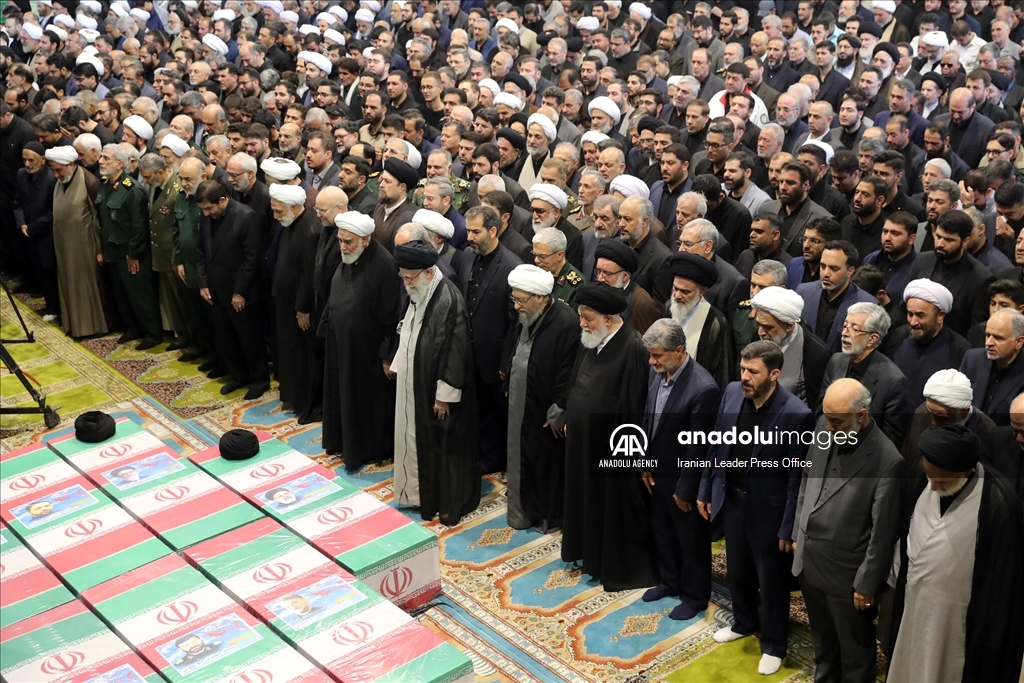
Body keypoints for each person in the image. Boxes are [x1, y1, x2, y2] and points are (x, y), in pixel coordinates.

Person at [698, 340, 814, 677]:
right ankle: (744, 622)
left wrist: (788, 526)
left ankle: (775, 644)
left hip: (770, 511)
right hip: (732, 500)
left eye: (753, 371)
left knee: (772, 579)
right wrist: (707, 488)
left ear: (774, 374)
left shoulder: (796, 415)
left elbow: (796, 477)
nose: (745, 376)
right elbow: (717, 444)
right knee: (738, 569)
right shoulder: (733, 392)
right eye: (743, 369)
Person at [887, 425, 1024, 683]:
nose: (935, 486)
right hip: (915, 606)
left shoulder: (998, 503)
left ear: (968, 471)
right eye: (932, 477)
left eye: (944, 481)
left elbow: (1003, 591)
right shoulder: (920, 476)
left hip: (959, 622)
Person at [793, 379, 905, 683]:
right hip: (810, 561)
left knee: (855, 653)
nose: (829, 427)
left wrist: (866, 584)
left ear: (862, 415)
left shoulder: (887, 460)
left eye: (837, 421)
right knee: (823, 643)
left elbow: (882, 533)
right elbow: (806, 483)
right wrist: (797, 534)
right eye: (827, 418)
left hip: (847, 577)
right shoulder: (823, 426)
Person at [562, 282, 655, 592]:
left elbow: (632, 406)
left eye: (587, 317)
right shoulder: (592, 337)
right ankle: (588, 555)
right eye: (581, 316)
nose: (582, 323)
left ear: (608, 317)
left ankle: (608, 563)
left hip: (610, 452)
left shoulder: (633, 347)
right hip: (582, 443)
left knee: (609, 509)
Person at [392, 239, 480, 526]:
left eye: (409, 276)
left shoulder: (448, 300)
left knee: (442, 450)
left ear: (429, 272)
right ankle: (418, 494)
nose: (405, 282)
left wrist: (444, 395)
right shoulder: (420, 289)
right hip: (415, 381)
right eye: (403, 276)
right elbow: (409, 329)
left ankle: (439, 501)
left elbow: (457, 351)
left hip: (437, 394)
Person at [640, 318, 721, 621]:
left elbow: (700, 448)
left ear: (678, 351)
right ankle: (670, 581)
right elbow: (650, 419)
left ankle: (695, 596)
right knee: (662, 531)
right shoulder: (657, 372)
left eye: (658, 355)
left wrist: (686, 489)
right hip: (658, 471)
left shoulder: (703, 388)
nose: (652, 361)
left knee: (691, 541)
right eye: (650, 355)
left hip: (683, 479)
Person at [502, 264, 580, 533]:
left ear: (540, 298)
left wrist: (559, 408)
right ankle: (521, 510)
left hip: (544, 412)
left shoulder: (566, 322)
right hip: (520, 404)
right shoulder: (527, 314)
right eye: (514, 299)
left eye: (521, 300)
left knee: (543, 465)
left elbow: (568, 370)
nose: (516, 306)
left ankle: (544, 515)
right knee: (518, 457)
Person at [322, 211, 400, 472]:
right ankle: (343, 442)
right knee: (340, 394)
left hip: (367, 352)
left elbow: (391, 316)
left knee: (365, 402)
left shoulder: (383, 265)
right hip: (342, 345)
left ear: (365, 240)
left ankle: (365, 450)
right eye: (341, 240)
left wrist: (387, 356)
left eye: (348, 242)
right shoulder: (347, 258)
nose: (343, 247)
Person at [455, 205, 523, 474]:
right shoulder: (467, 257)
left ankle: (493, 461)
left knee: (493, 414)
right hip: (466, 351)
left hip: (494, 358)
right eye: (468, 231)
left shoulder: (511, 266)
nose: (469, 237)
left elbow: (514, 323)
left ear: (493, 231)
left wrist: (505, 361)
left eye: (476, 231)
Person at [195, 180, 270, 400]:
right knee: (226, 337)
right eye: (203, 210)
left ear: (223, 200)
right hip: (216, 290)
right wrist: (203, 282)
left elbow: (251, 259)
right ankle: (238, 376)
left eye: (209, 208)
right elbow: (201, 251)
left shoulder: (246, 216)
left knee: (249, 338)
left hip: (241, 292)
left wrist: (239, 292)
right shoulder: (206, 216)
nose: (207, 214)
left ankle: (259, 379)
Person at [97, 144, 161, 349]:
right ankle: (132, 328)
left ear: (119, 164)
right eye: (101, 157)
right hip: (113, 251)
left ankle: (152, 334)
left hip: (131, 254)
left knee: (140, 296)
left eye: (106, 158)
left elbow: (139, 227)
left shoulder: (132, 190)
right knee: (122, 295)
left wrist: (133, 253)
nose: (100, 161)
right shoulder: (106, 185)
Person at [819, 302, 907, 446]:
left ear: (872, 339)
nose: (844, 333)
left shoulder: (893, 381)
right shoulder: (836, 361)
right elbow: (821, 414)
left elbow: (890, 440)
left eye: (854, 329)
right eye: (845, 326)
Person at [45, 145, 107, 339]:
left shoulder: (88, 181)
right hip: (64, 245)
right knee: (69, 283)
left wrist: (99, 249)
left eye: (59, 169)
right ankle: (75, 325)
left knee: (86, 286)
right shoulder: (61, 181)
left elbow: (100, 219)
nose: (56, 174)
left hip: (85, 246)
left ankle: (93, 326)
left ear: (71, 164)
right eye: (53, 170)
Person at [269, 183, 318, 418]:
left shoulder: (308, 230)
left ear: (295, 207)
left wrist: (302, 309)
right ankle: (290, 396)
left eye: (279, 211)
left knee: (298, 355)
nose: (275, 216)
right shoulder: (290, 224)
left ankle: (301, 401)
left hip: (298, 309)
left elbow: (308, 276)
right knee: (287, 352)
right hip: (286, 303)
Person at [750, 285, 831, 409]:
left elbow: (819, 405)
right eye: (758, 324)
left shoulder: (816, 353)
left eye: (768, 327)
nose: (760, 332)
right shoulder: (758, 337)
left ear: (788, 325)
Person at [666, 252, 734, 390]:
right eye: (675, 288)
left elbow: (721, 376)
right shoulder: (668, 307)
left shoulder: (715, 323)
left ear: (702, 291)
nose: (677, 296)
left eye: (685, 292)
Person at [959, 308, 1024, 426]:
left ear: (1018, 342)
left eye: (998, 338)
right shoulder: (972, 359)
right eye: (987, 335)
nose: (989, 342)